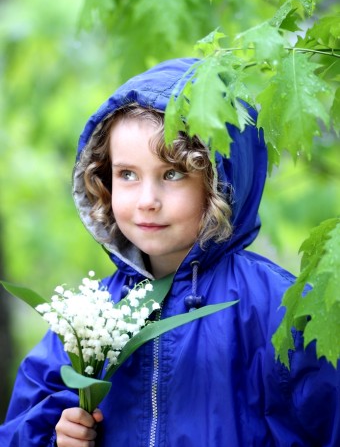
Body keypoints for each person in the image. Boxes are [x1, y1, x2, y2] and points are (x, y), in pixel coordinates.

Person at [0, 57, 339, 447]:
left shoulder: (279, 309)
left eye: (172, 174)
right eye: (127, 174)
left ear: (219, 181)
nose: (147, 201)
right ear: (102, 178)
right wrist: (59, 439)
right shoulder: (90, 319)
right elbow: (23, 427)